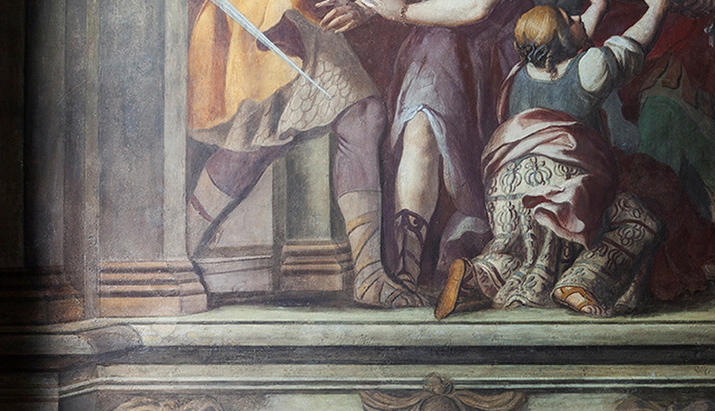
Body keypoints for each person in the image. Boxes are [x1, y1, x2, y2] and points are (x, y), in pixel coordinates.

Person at [433, 0, 674, 318]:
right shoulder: (588, 69)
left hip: (507, 193)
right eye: (569, 19)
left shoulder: (518, 75)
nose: (578, 17)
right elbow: (630, 47)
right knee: (639, 221)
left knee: (523, 251)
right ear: (562, 38)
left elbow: (572, 40)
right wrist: (658, 9)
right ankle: (580, 282)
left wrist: (599, 6)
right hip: (562, 185)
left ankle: (476, 274)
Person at [187, 0, 425, 307]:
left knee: (361, 116)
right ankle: (180, 248)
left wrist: (363, 7)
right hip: (257, 13)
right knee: (253, 146)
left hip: (302, 14)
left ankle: (369, 274)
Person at [328, 0, 531, 298]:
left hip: (495, 52)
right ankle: (406, 270)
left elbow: (477, 8)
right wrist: (368, 7)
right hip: (434, 45)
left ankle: (467, 265)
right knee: (420, 128)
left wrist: (398, 12)